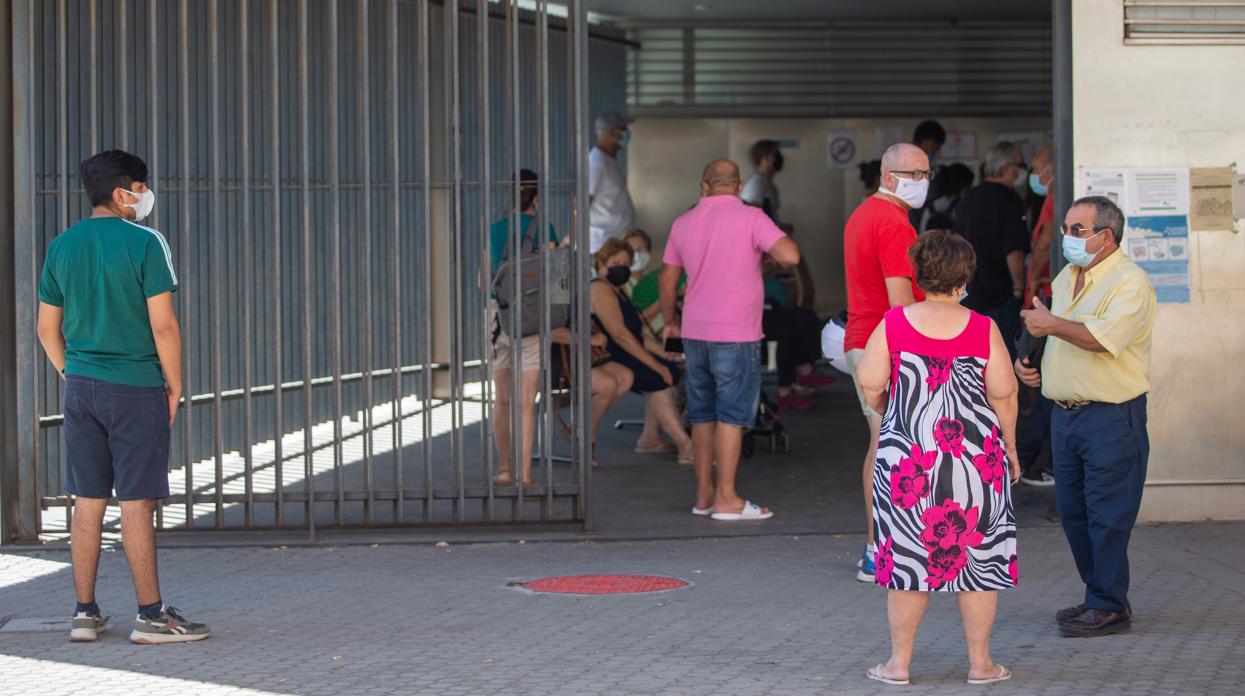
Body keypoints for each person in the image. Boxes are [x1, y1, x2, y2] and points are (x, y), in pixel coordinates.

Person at [36, 149, 211, 645]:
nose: (144, 195)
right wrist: (175, 384)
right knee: (137, 502)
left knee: (87, 499)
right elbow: (164, 324)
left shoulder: (62, 245)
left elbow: (46, 328)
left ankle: (84, 614)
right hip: (135, 387)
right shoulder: (146, 242)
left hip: (82, 387)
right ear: (121, 193)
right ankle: (152, 617)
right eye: (140, 187)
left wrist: (72, 372)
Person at [856, 230, 1019, 687]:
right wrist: (1009, 447)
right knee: (980, 561)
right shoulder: (983, 327)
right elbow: (1004, 394)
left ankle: (899, 665)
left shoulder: (894, 324)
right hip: (975, 461)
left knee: (908, 562)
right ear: (966, 276)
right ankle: (981, 665)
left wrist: (892, 406)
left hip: (909, 459)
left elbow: (870, 382)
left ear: (918, 274)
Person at [1016, 196, 1155, 639]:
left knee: (1107, 515)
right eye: (1067, 229)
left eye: (1078, 230)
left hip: (1111, 416)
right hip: (1067, 415)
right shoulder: (1069, 274)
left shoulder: (1130, 283)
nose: (1068, 238)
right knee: (1075, 514)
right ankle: (1102, 594)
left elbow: (1098, 338)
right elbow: (1052, 327)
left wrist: (1050, 326)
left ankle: (1108, 604)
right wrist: (1031, 363)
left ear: (1105, 237)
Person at [660, 160, 800, 521]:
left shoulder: (683, 222)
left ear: (703, 186)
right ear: (738, 186)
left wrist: (671, 321)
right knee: (732, 417)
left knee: (703, 416)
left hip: (694, 333)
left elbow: (667, 280)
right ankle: (727, 498)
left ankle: (704, 496)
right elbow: (790, 255)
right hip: (736, 334)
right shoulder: (751, 217)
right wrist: (764, 253)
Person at [843, 143, 928, 581]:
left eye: (926, 173)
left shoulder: (863, 214)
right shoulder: (894, 224)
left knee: (882, 443)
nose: (924, 182)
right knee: (886, 445)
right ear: (889, 175)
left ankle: (884, 543)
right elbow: (900, 303)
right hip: (886, 343)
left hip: (865, 338)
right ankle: (880, 548)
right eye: (915, 174)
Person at [591, 239, 693, 463]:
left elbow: (638, 335)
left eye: (625, 263)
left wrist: (664, 354)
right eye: (615, 262)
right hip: (612, 354)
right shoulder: (599, 288)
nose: (621, 267)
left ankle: (650, 438)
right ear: (601, 262)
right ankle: (685, 445)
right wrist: (655, 363)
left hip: (625, 350)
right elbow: (620, 335)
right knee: (658, 377)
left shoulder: (618, 293)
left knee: (667, 372)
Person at [488, 170, 559, 487]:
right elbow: (558, 282)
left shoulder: (493, 231)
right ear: (537, 198)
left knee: (501, 398)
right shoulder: (545, 229)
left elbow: (483, 279)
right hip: (531, 316)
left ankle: (504, 469)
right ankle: (525, 475)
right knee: (526, 402)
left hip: (495, 314)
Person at [954, 142, 1030, 363]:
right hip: (1000, 296)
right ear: (1007, 168)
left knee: (973, 364)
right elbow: (1014, 251)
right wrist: (1018, 288)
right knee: (1003, 361)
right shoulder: (1010, 199)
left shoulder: (968, 198)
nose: (1023, 170)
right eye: (1020, 164)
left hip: (968, 295)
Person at [1016, 145, 1056, 487]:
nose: (1032, 172)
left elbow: (1044, 244)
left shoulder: (1056, 198)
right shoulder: (1051, 197)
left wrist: (1035, 283)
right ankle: (1028, 458)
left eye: (1036, 166)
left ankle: (1027, 457)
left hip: (1046, 296)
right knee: (1040, 377)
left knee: (1045, 380)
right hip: (1044, 296)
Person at [588, 111, 636, 253]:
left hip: (612, 243)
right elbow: (580, 204)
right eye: (622, 129)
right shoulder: (596, 164)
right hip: (600, 246)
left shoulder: (609, 160)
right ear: (610, 133)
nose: (626, 133)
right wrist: (574, 236)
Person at [908, 120, 947, 229]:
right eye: (936, 145)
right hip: (915, 220)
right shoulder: (911, 163)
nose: (937, 150)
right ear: (927, 141)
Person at [920, 162, 975, 233]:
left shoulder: (930, 206)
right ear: (961, 185)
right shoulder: (961, 207)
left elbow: (921, 232)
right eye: (967, 188)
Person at [741, 139, 783, 222]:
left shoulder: (765, 182)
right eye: (775, 154)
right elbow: (750, 218)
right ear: (765, 158)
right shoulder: (756, 184)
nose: (778, 157)